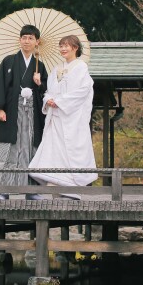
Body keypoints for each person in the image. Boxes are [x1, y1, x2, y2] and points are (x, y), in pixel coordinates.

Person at [28, 34, 96, 199]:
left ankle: (71, 186)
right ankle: (56, 183)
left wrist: (59, 101)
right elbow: (49, 91)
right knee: (55, 151)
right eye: (61, 46)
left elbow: (82, 92)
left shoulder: (81, 68)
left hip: (72, 118)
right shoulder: (55, 69)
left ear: (75, 48)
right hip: (57, 117)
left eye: (67, 46)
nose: (63, 49)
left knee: (70, 150)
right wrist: (48, 99)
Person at [0, 25, 48, 198]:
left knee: (31, 149)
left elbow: (47, 92)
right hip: (11, 112)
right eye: (24, 38)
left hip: (32, 114)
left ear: (37, 42)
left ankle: (32, 191)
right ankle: (3, 191)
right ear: (20, 40)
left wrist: (39, 84)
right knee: (9, 150)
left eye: (30, 38)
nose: (26, 41)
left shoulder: (40, 66)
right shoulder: (8, 61)